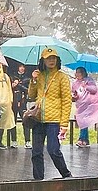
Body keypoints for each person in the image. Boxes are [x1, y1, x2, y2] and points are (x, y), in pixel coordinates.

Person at [28, 47, 72, 182]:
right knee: (36, 152)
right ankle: (38, 180)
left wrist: (64, 124)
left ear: (57, 60)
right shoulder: (39, 75)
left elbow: (66, 101)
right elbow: (31, 95)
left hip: (54, 120)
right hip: (38, 118)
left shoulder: (62, 77)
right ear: (43, 60)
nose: (51, 60)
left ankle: (66, 175)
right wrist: (34, 80)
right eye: (48, 58)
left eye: (54, 58)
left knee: (53, 150)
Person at [71, 67, 98, 148]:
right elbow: (73, 92)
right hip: (80, 105)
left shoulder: (89, 80)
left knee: (84, 121)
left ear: (83, 73)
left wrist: (86, 86)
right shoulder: (75, 83)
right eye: (76, 72)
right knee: (82, 121)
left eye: (79, 72)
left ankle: (81, 139)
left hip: (88, 104)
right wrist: (74, 95)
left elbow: (94, 89)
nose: (77, 74)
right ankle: (85, 140)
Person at [0, 63, 17, 149]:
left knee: (3, 122)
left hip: (5, 103)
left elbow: (9, 89)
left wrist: (10, 100)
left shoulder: (5, 76)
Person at [12, 64, 32, 149]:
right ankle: (13, 140)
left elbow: (28, 90)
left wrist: (19, 84)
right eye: (20, 66)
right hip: (14, 101)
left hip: (23, 101)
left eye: (23, 67)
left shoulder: (27, 78)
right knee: (13, 121)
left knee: (25, 121)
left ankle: (27, 141)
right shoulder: (12, 76)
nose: (22, 68)